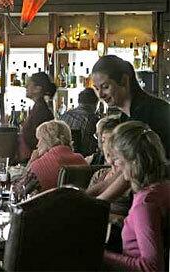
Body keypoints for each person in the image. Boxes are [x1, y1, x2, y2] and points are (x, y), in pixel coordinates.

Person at [104, 121, 169, 272]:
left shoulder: (145, 204)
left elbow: (152, 267)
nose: (114, 164)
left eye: (117, 158)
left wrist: (101, 255)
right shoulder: (162, 187)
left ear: (133, 161)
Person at [92, 55, 170, 157]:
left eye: (105, 87)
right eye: (97, 89)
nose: (101, 95)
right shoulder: (125, 117)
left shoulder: (153, 112)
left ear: (124, 80)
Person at [15, 120, 87, 196]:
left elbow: (18, 192)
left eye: (39, 140)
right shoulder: (81, 159)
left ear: (48, 140)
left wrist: (31, 162)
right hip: (78, 206)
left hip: (46, 207)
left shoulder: (39, 165)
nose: (37, 145)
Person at [18, 72, 56, 162]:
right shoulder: (38, 107)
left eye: (29, 84)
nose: (25, 87)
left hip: (35, 159)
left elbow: (41, 140)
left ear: (38, 89)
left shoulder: (41, 110)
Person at [61, 88, 99, 156]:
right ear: (96, 103)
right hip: (84, 159)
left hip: (64, 156)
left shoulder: (64, 115)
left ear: (79, 101)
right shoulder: (93, 119)